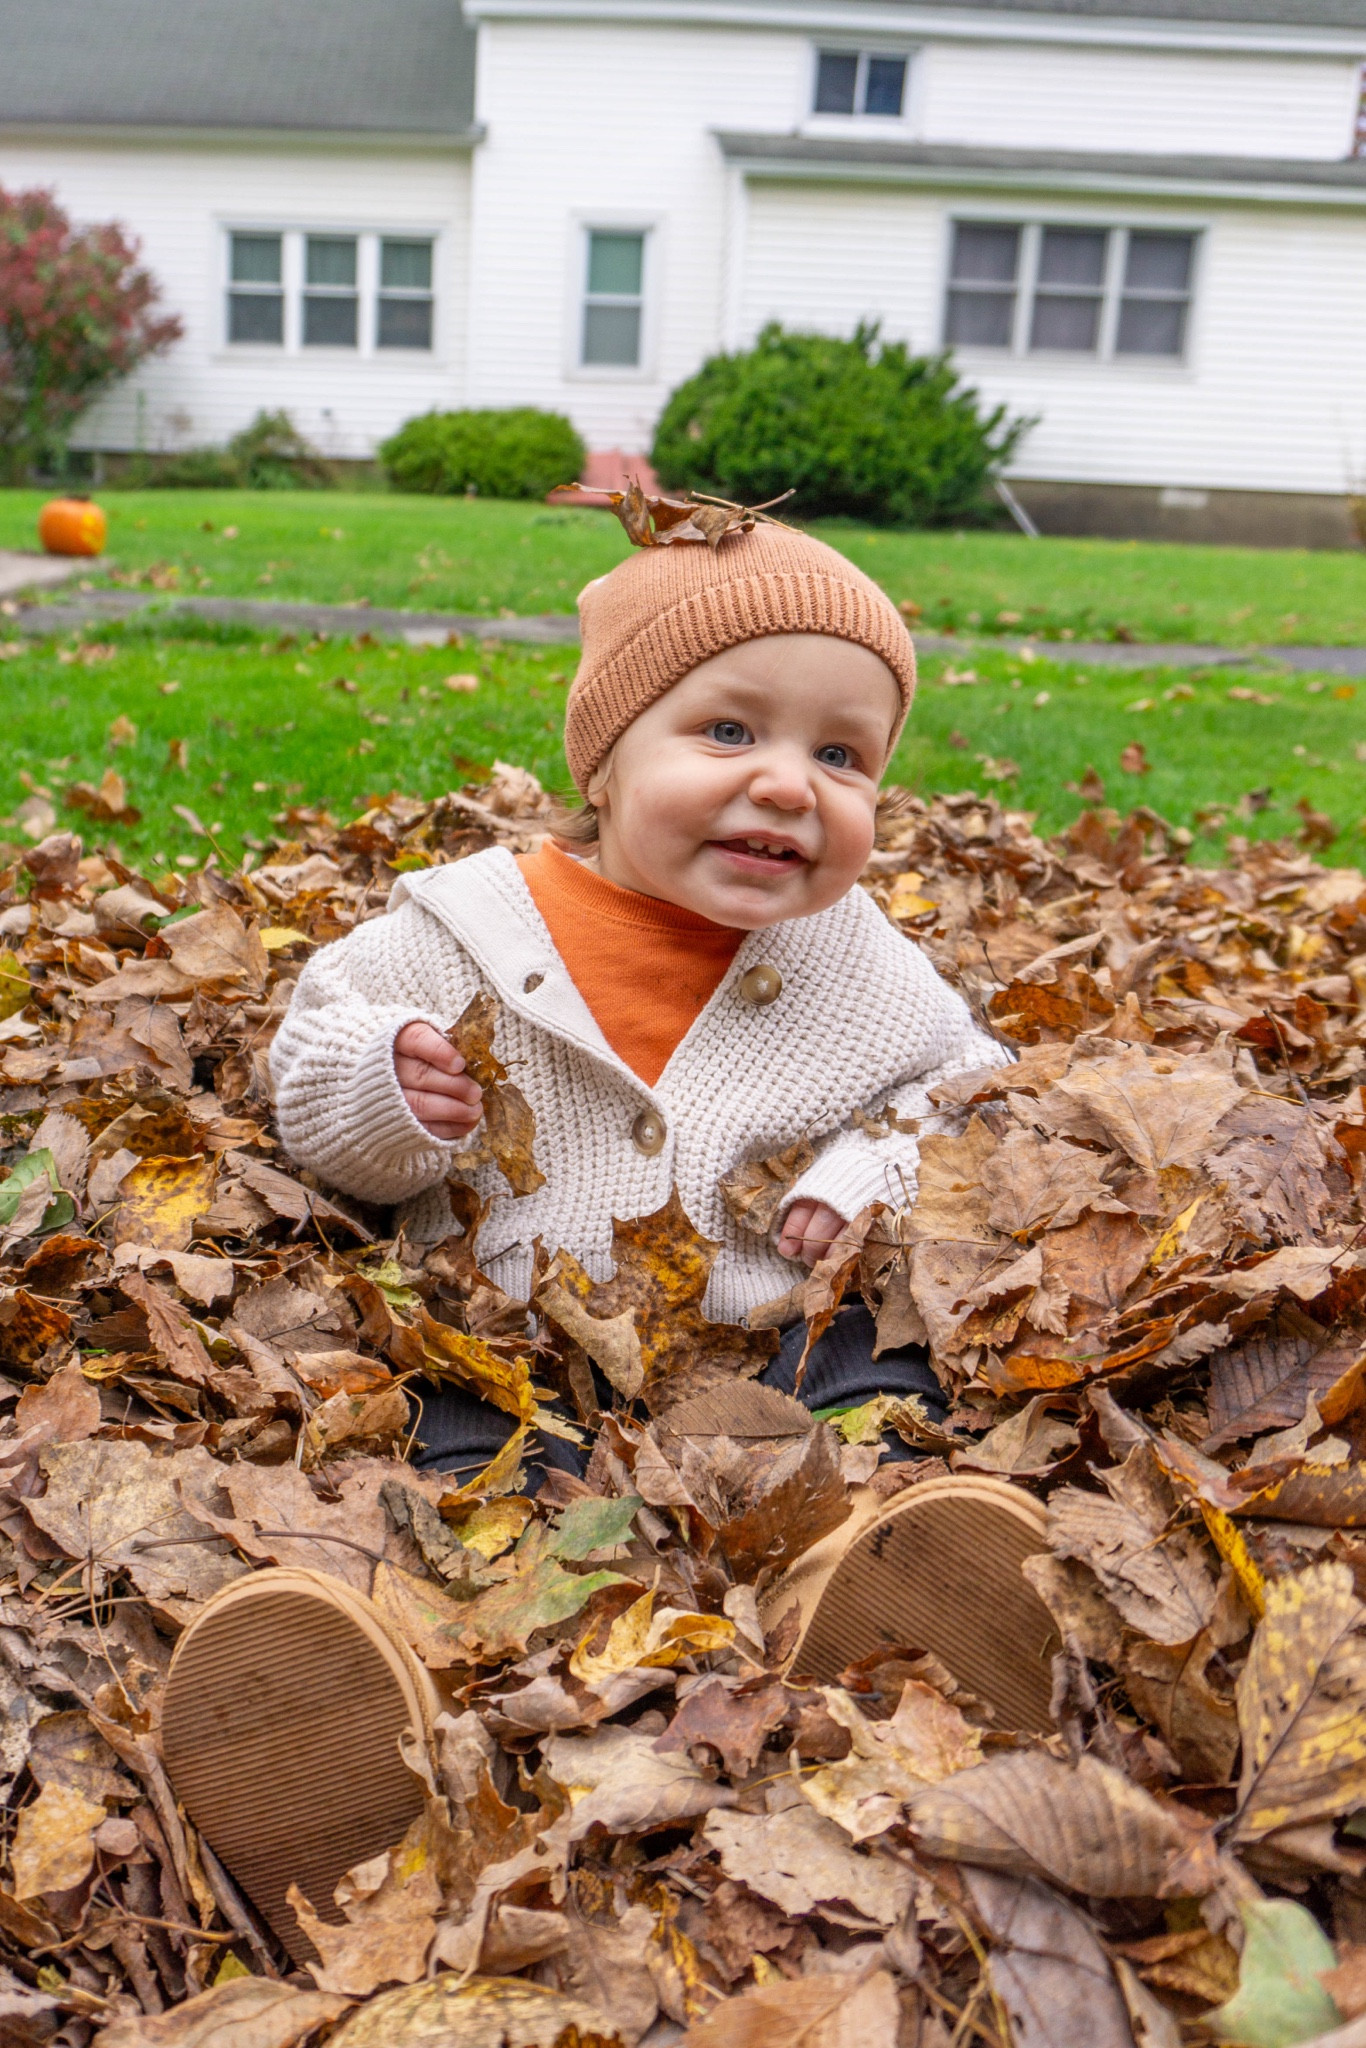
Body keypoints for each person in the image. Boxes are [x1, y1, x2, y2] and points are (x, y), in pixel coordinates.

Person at [160, 524, 1057, 1957]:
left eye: (843, 758)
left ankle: (872, 1607)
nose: (787, 783)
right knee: (456, 1482)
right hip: (516, 1362)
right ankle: (393, 1715)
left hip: (769, 1360)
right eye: (727, 729)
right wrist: (390, 1088)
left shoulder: (860, 963)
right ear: (606, 758)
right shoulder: (453, 933)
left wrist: (870, 1168)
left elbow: (966, 1089)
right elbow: (306, 1085)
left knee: (881, 1398)